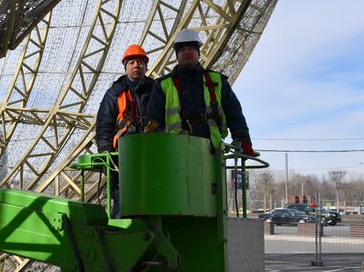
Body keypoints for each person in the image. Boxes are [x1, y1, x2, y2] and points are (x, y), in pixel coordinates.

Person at [145, 28, 254, 155]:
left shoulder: (217, 81)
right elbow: (153, 118)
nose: (187, 52)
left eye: (191, 48)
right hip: (175, 155)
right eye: (182, 50)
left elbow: (234, 112)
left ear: (198, 53)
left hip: (212, 153)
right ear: (177, 56)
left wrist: (243, 139)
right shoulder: (163, 85)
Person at [95, 44, 156, 217]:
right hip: (121, 159)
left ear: (145, 66)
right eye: (132, 62)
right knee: (124, 201)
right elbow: (103, 125)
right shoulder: (114, 93)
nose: (136, 65)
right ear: (126, 67)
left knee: (152, 200)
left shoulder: (156, 90)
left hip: (151, 157)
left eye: (140, 62)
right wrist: (105, 150)